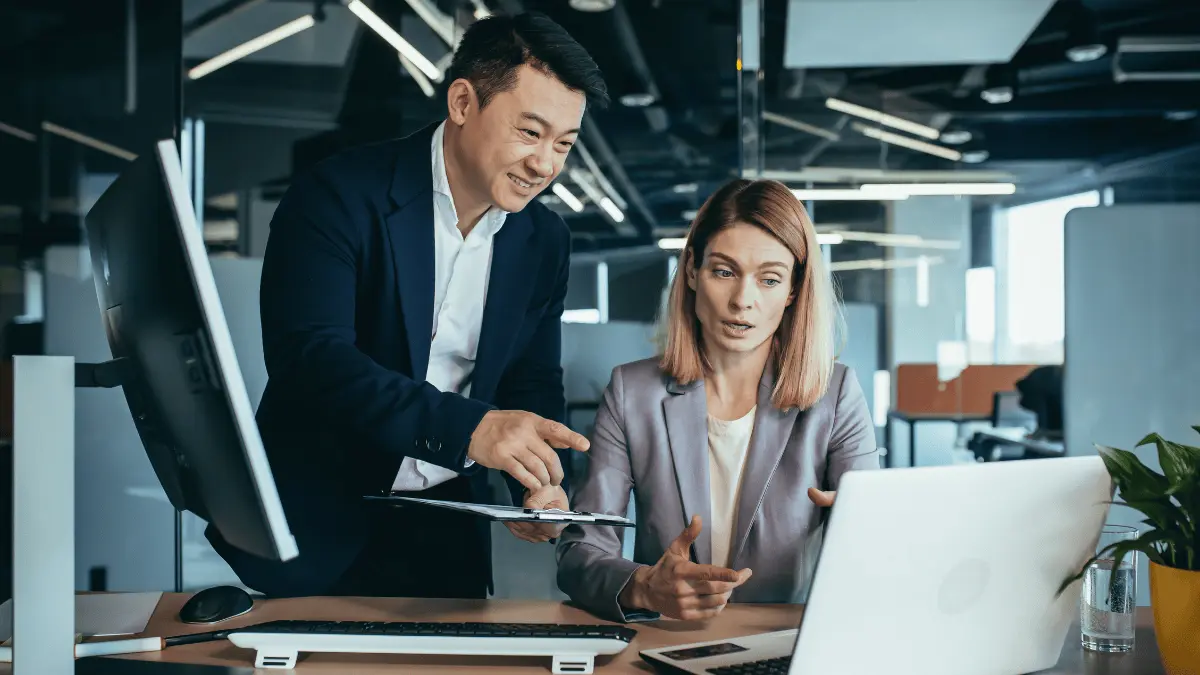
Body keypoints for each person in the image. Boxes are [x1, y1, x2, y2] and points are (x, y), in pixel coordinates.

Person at [207, 13, 607, 600]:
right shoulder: (338, 196)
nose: (546, 164)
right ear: (464, 102)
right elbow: (311, 359)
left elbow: (531, 381)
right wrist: (468, 429)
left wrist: (537, 484)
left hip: (448, 530)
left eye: (564, 145)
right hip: (317, 522)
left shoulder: (543, 241)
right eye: (530, 132)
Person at [556, 179, 879, 622]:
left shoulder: (836, 394)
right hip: (669, 642)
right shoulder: (632, 393)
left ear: (792, 291)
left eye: (769, 279)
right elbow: (579, 552)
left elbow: (880, 545)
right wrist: (644, 588)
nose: (743, 300)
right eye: (724, 272)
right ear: (691, 271)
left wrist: (859, 527)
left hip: (784, 646)